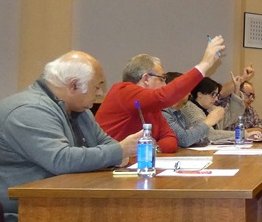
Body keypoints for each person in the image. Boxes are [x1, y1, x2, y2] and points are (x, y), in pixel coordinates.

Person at [0, 51, 141, 222]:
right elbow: (61, 160)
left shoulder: (78, 112)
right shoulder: (28, 111)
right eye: (97, 86)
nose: (101, 92)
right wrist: (120, 151)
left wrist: (117, 151)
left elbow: (105, 144)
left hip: (42, 212)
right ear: (73, 85)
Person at [95, 36, 225, 152]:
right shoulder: (123, 91)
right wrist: (204, 65)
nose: (164, 85)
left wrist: (151, 149)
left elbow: (171, 139)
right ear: (146, 78)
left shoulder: (152, 106)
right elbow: (164, 96)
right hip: (109, 166)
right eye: (162, 79)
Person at [181, 77, 259, 143]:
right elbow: (209, 134)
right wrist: (243, 134)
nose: (216, 99)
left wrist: (237, 88)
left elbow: (232, 116)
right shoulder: (190, 109)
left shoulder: (211, 108)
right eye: (213, 94)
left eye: (217, 95)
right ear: (200, 94)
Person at [161, 72, 221, 147]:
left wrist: (193, 135)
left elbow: (203, 138)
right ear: (176, 91)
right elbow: (184, 139)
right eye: (187, 89)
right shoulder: (163, 113)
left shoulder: (179, 113)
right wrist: (208, 122)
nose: (189, 93)